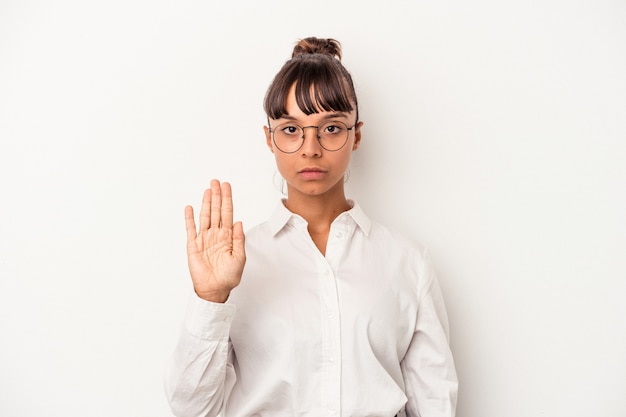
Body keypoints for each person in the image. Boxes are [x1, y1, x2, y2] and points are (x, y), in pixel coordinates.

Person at [164, 37, 458, 417]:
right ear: (269, 138)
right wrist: (211, 297)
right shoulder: (237, 264)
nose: (310, 148)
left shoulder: (407, 262)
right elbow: (191, 409)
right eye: (291, 129)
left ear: (356, 134)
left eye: (331, 128)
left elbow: (436, 404)